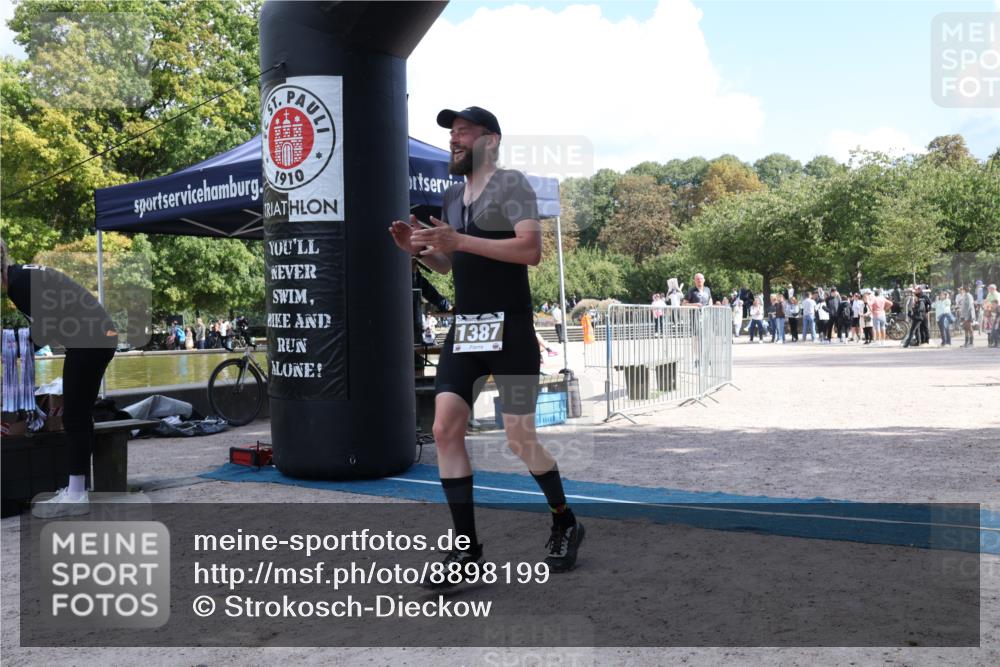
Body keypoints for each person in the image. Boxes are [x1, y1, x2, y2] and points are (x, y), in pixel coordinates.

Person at [389, 105, 583, 579]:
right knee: (444, 430)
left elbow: (530, 250)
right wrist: (417, 251)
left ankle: (565, 520)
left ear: (490, 140)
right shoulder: (452, 195)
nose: (454, 140)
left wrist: (458, 241)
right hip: (468, 330)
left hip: (512, 331)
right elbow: (450, 265)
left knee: (520, 439)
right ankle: (466, 550)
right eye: (452, 134)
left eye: (463, 132)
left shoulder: (513, 185)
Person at [1, 239, 117, 518]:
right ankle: (77, 489)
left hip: (90, 340)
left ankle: (77, 494)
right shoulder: (22, 275)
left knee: (74, 416)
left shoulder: (19, 285)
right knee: (79, 414)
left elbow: (44, 332)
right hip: (96, 336)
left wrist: (12, 351)